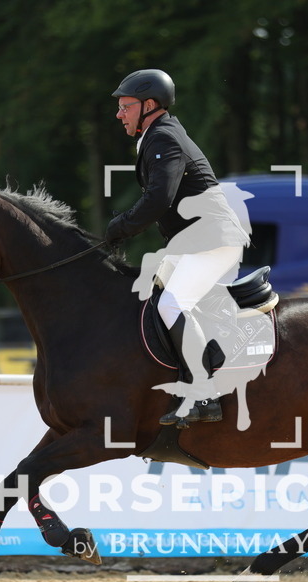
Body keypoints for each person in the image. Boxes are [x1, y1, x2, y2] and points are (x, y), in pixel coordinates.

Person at [107, 69, 250, 426]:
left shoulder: (164, 138)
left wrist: (121, 226)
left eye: (126, 106)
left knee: (172, 303)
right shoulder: (158, 135)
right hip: (195, 244)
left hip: (213, 241)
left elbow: (159, 199)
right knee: (147, 294)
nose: (119, 114)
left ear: (149, 105)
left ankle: (206, 393)